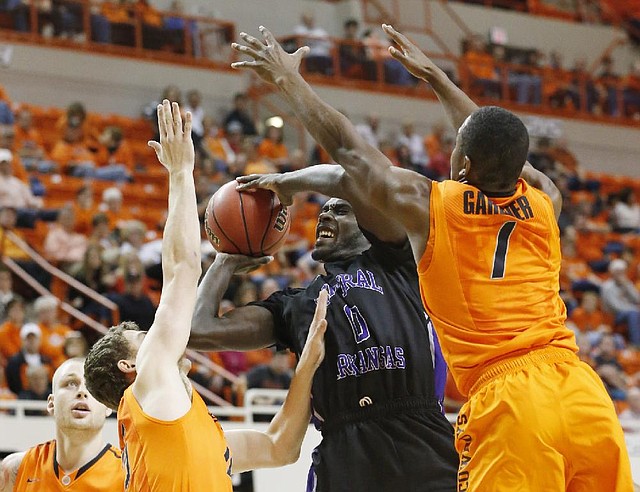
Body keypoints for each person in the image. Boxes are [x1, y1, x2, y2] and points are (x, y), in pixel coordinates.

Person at [230, 24, 632, 490]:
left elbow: (350, 153)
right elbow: (498, 146)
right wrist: (439, 80)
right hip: (581, 392)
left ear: (463, 164)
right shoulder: (546, 199)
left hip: (512, 403)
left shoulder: (431, 206)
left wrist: (287, 79)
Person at [84, 100, 330, 490]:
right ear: (129, 367)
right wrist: (181, 173)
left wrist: (307, 363)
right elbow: (181, 269)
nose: (161, 336)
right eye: (145, 340)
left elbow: (279, 447)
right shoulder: (148, 383)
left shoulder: (187, 428)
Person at [193, 140, 458, 491]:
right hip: (344, 449)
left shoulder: (400, 261)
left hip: (420, 436)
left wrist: (288, 181)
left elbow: (347, 180)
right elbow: (199, 330)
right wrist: (225, 258)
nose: (325, 215)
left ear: (369, 225)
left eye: (340, 211)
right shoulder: (295, 304)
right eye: (323, 212)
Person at [0, 358, 124, 491]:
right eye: (71, 383)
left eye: (92, 386)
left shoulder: (129, 474)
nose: (82, 392)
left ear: (107, 406)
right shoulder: (15, 469)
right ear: (51, 403)